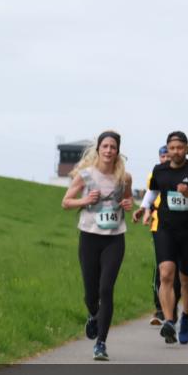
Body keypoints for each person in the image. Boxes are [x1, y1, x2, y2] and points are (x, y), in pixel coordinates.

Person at [133, 131, 188, 345]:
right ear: (167, 150)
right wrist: (143, 208)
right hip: (165, 230)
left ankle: (186, 316)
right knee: (166, 273)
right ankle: (170, 320)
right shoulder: (159, 170)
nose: (176, 151)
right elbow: (152, 191)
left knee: (186, 279)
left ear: (187, 149)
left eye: (180, 148)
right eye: (172, 148)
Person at [62, 131, 134, 361]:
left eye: (113, 147)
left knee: (106, 289)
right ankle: (94, 315)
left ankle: (101, 343)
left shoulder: (124, 177)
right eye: (105, 146)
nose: (108, 150)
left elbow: (128, 200)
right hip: (89, 237)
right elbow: (66, 202)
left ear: (117, 151)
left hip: (114, 238)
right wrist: (85, 200)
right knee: (90, 295)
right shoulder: (84, 175)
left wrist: (128, 203)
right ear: (98, 149)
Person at [147, 146, 180, 326]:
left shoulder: (184, 173)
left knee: (178, 273)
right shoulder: (155, 174)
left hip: (181, 227)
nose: (166, 158)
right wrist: (146, 211)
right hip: (159, 225)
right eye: (163, 155)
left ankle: (172, 312)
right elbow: (151, 195)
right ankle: (160, 311)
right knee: (163, 270)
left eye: (168, 155)